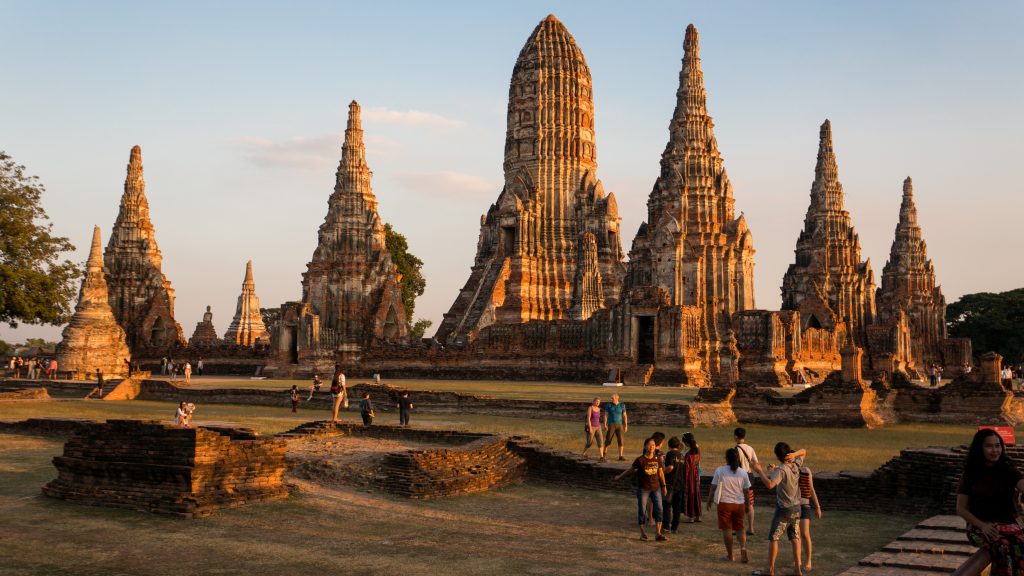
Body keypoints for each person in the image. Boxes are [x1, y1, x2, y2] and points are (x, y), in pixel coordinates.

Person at [953, 428, 1024, 576]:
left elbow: (1022, 484)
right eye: (989, 446)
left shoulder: (1008, 470)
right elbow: (961, 508)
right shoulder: (970, 474)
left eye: (998, 445)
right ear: (980, 448)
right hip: (980, 527)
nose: (995, 450)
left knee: (1021, 547)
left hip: (1009, 526)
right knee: (1002, 547)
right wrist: (982, 525)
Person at [752, 443, 808, 576]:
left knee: (774, 538)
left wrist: (759, 470)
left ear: (777, 456)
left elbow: (770, 484)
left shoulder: (781, 470)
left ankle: (770, 570)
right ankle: (797, 570)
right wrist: (794, 455)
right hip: (796, 507)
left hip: (784, 509)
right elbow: (804, 451)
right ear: (788, 453)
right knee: (795, 537)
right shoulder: (795, 464)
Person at [614, 437, 668, 542]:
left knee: (660, 509)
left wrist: (664, 486)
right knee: (642, 511)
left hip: (656, 488)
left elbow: (661, 473)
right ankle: (643, 533)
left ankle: (658, 533)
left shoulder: (658, 459)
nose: (652, 447)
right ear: (645, 446)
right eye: (649, 445)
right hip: (644, 489)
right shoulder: (640, 460)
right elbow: (630, 470)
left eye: (653, 445)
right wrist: (619, 477)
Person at [707, 448, 752, 563]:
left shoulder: (720, 470)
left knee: (727, 529)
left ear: (727, 459)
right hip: (739, 504)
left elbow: (713, 488)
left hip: (724, 504)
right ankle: (743, 548)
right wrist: (747, 505)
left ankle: (730, 555)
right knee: (740, 528)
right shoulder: (743, 472)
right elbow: (746, 491)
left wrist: (708, 501)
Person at [735, 427, 760, 535]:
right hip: (749, 476)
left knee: (738, 503)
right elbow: (756, 463)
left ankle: (738, 527)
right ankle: (751, 528)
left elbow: (734, 466)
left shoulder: (735, 449)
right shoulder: (750, 448)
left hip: (739, 477)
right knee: (749, 503)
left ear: (736, 436)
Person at [799, 460, 823, 573]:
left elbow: (811, 489)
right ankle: (797, 559)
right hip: (792, 507)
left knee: (804, 533)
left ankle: (808, 560)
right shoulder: (788, 471)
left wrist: (817, 506)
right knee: (796, 535)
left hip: (804, 505)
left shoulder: (806, 471)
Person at [663, 437, 685, 533]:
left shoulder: (670, 454)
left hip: (671, 483)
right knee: (677, 507)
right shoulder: (681, 455)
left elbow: (670, 467)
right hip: (680, 483)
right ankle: (675, 527)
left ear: (669, 445)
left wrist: (663, 471)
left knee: (667, 505)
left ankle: (666, 526)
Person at [600, 393, 628, 461]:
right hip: (611, 424)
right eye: (611, 398)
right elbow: (606, 415)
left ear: (617, 398)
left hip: (620, 425)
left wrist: (626, 425)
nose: (611, 399)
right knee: (608, 440)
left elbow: (624, 416)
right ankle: (603, 455)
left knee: (621, 440)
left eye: (613, 398)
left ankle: (620, 456)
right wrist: (605, 425)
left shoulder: (622, 405)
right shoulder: (608, 405)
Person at [682, 431, 702, 523]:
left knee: (690, 494)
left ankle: (691, 516)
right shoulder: (697, 451)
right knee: (696, 493)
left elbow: (686, 468)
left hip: (690, 475)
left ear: (686, 443)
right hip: (696, 474)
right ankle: (698, 515)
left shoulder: (688, 455)